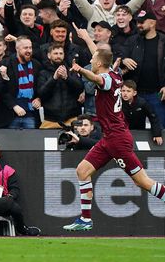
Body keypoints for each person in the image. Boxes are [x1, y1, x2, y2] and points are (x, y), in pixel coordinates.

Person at [64, 41, 165, 231]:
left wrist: (80, 70)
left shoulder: (106, 79)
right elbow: (100, 57)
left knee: (142, 181)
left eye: (93, 59)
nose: (91, 60)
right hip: (108, 139)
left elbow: (96, 78)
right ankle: (85, 220)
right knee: (82, 171)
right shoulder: (114, 73)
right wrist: (87, 38)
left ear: (99, 63)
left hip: (117, 140)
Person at [120, 80, 163, 145]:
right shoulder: (117, 102)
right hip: (122, 132)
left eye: (128, 91)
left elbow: (153, 117)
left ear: (134, 93)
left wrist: (157, 134)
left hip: (140, 131)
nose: (125, 93)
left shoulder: (142, 103)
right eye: (123, 91)